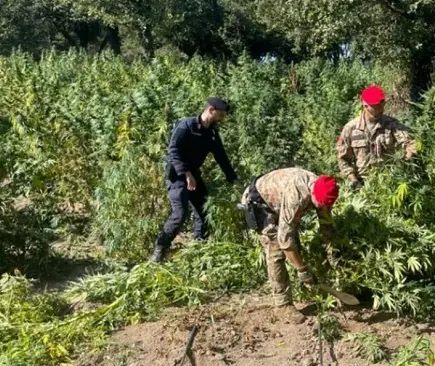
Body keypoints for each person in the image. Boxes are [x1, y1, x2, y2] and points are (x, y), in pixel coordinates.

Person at [239, 167, 340, 324]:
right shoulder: (297, 196)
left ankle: (298, 285)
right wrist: (303, 270)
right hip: (259, 203)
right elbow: (285, 241)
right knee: (276, 250)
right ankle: (283, 304)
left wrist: (331, 253)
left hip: (278, 201)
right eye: (318, 205)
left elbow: (326, 223)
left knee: (293, 243)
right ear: (312, 195)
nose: (321, 208)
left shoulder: (325, 188)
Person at [151, 97, 240, 263]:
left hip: (193, 174)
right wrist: (186, 174)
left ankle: (199, 250)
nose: (223, 118)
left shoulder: (212, 133)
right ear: (211, 110)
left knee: (204, 212)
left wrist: (233, 180)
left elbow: (221, 157)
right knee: (180, 213)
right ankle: (159, 250)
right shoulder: (186, 126)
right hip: (177, 175)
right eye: (221, 114)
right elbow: (173, 151)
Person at [336, 85, 417, 190]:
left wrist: (404, 163)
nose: (381, 108)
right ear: (365, 106)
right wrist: (354, 181)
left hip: (389, 183)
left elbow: (411, 143)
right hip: (364, 185)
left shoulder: (391, 124)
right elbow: (342, 159)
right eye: (376, 106)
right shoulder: (350, 129)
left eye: (382, 104)